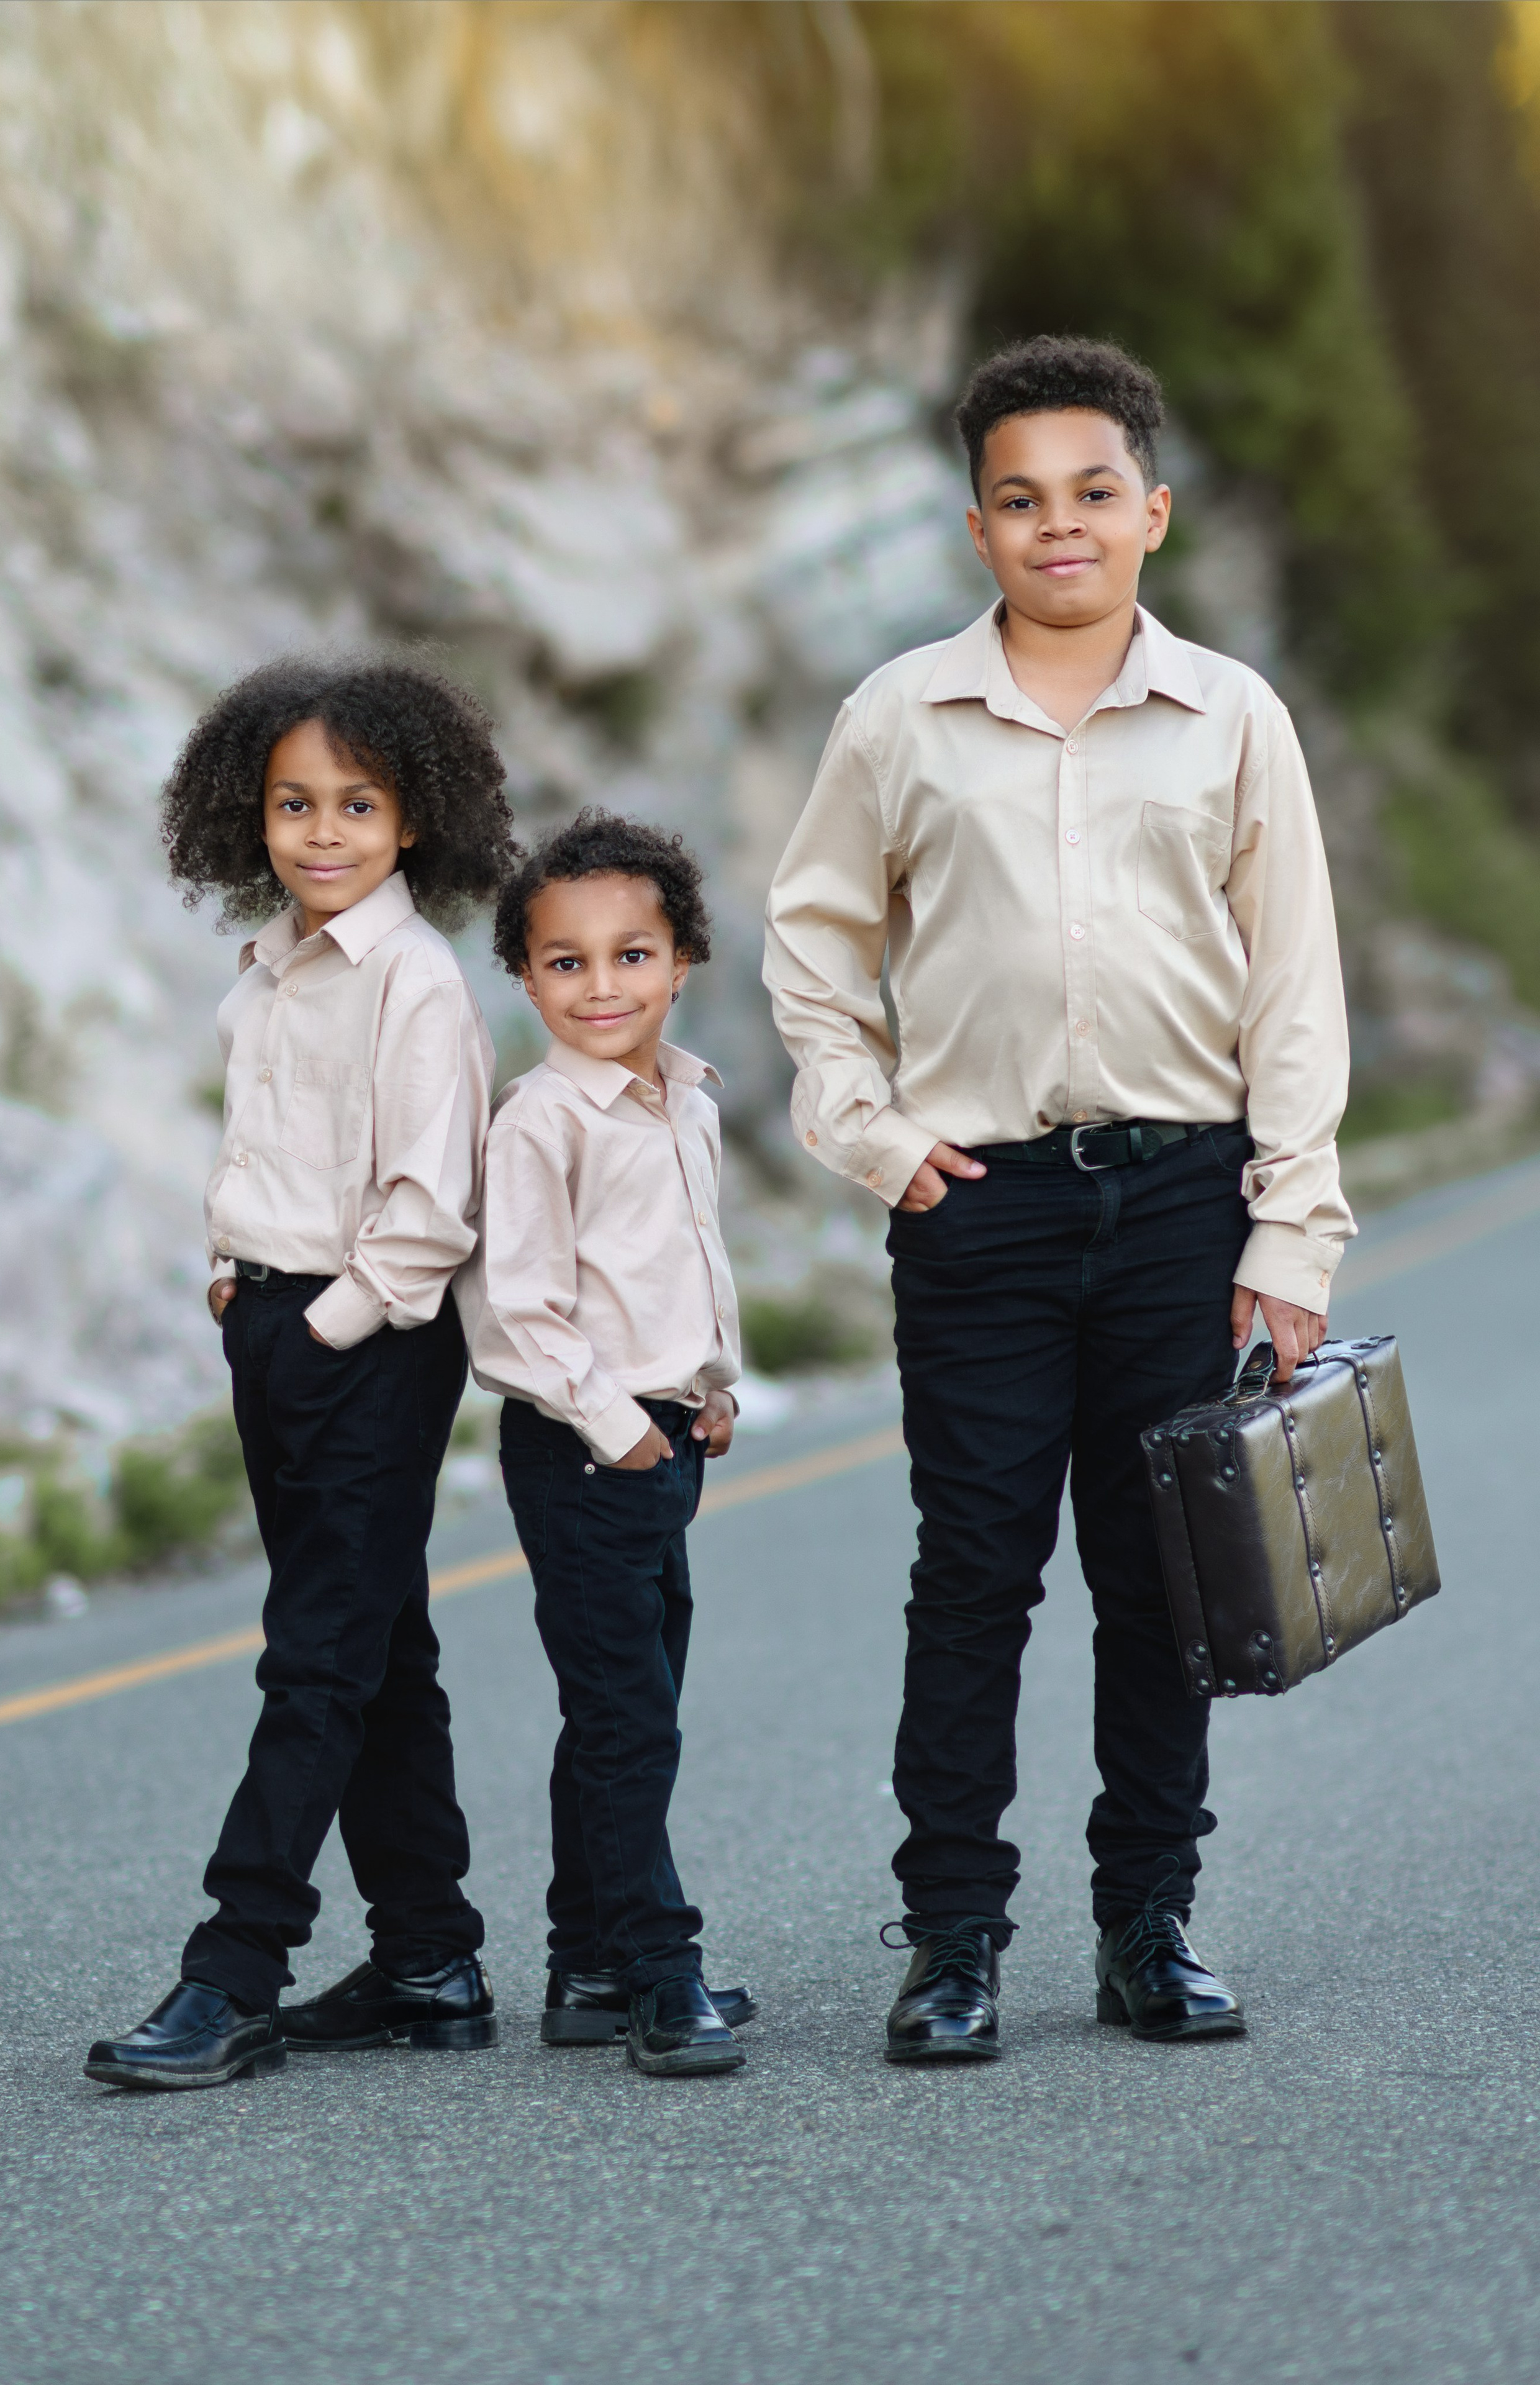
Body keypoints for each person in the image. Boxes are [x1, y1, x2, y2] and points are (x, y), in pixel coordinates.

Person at [764, 335, 1354, 2061]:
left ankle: (1148, 1926)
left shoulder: (1234, 716)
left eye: (1094, 493)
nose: (1060, 526)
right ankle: (952, 1942)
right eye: (1021, 500)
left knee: (1162, 1583)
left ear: (1151, 511)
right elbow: (814, 942)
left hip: (1182, 1197)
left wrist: (1292, 1229)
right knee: (972, 1575)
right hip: (982, 1210)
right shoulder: (902, 717)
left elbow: (1295, 991)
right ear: (976, 528)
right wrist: (874, 1136)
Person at [85, 656, 514, 2091]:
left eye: (356, 803)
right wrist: (231, 1274)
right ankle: (428, 1959)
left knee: (316, 1656)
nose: (320, 831)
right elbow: (262, 1147)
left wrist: (326, 1326)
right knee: (379, 1646)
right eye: (290, 804)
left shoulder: (415, 982)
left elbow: (427, 1210)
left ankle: (235, 1969)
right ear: (245, 815)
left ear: (413, 820)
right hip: (270, 1325)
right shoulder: (267, 970)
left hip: (369, 1342)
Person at [471, 811, 753, 2077]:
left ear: (682, 958)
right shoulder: (539, 1121)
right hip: (587, 1447)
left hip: (664, 1430)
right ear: (525, 977)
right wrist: (620, 1434)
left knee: (622, 1711)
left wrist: (713, 1384)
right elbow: (515, 1310)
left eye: (629, 954)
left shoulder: (686, 1099)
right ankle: (656, 1967)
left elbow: (686, 1261)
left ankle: (584, 1962)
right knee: (628, 1717)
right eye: (565, 961)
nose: (601, 985)